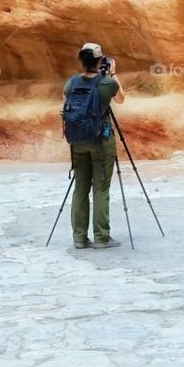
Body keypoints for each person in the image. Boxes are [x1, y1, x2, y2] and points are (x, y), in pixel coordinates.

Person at [63, 41, 125, 250]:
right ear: (100, 61)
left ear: (81, 61)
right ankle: (101, 237)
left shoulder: (71, 83)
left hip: (77, 142)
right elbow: (121, 99)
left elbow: (67, 104)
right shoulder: (107, 84)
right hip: (100, 142)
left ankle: (79, 238)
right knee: (100, 188)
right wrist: (113, 73)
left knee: (80, 189)